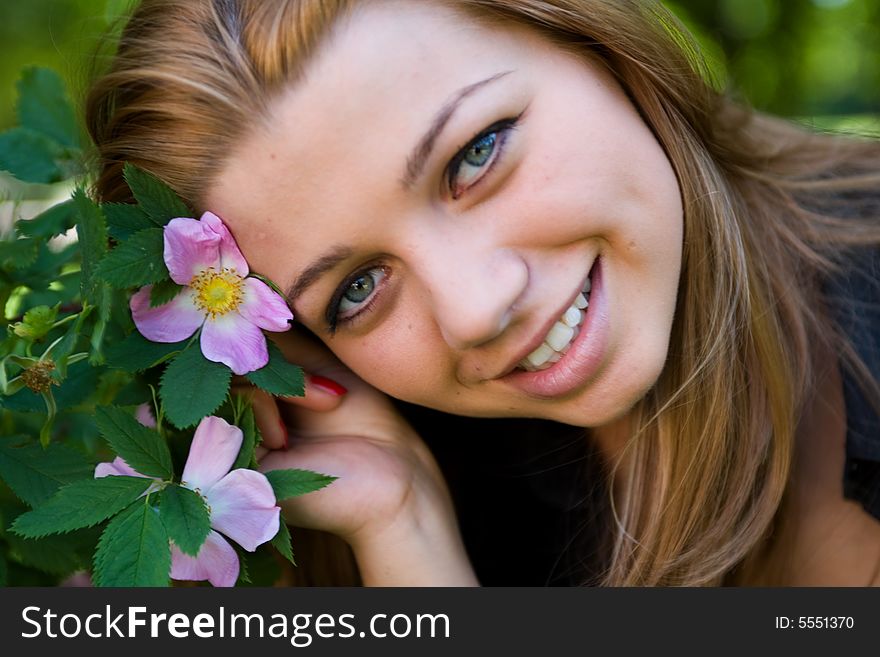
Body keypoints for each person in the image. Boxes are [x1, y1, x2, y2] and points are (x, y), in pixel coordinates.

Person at [85, 0, 880, 586]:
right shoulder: (452, 477)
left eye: (476, 154)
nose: (474, 308)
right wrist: (409, 533)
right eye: (358, 289)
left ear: (594, 41)